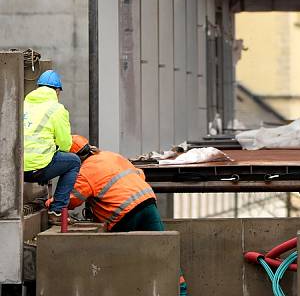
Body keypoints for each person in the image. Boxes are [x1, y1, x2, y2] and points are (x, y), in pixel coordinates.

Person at [68, 136, 187, 294]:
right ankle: (181, 291)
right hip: (147, 203)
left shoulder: (85, 172)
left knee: (122, 262)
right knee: (164, 254)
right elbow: (140, 174)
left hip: (123, 215)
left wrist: (49, 203)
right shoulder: (111, 155)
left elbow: (71, 200)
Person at [23, 70, 81, 225]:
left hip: (17, 170)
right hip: (39, 168)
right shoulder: (57, 109)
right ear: (56, 91)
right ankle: (56, 210)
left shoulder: (22, 105)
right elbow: (65, 145)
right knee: (73, 162)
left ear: (38, 88)